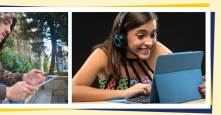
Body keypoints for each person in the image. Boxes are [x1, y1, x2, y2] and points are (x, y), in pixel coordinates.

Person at [72, 12, 206, 102]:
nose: (149, 42)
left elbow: (182, 77)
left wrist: (201, 85)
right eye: (141, 35)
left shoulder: (155, 48)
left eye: (153, 34)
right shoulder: (103, 54)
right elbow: (73, 91)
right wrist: (123, 93)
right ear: (122, 37)